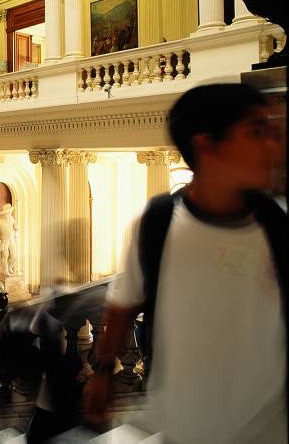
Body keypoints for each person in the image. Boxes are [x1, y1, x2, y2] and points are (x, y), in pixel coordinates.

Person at [84, 83, 286, 443]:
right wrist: (101, 374)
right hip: (185, 426)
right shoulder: (158, 224)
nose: (273, 147)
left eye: (273, 133)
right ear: (206, 146)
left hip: (268, 427)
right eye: (256, 133)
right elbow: (123, 303)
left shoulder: (277, 226)